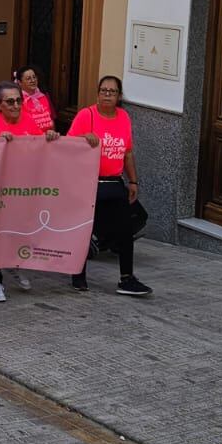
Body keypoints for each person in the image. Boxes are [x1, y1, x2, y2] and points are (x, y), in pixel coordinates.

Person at [0, 82, 61, 300]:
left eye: (18, 101)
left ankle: (14, 263)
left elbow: (39, 149)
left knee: (18, 230)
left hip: (21, 189)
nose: (15, 105)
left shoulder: (29, 120)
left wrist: (49, 138)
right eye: (10, 101)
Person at [68, 76, 152, 297]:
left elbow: (128, 152)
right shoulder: (87, 116)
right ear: (97, 93)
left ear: (119, 96)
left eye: (112, 92)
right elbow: (67, 147)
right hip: (89, 182)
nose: (107, 94)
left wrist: (133, 180)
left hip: (114, 182)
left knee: (125, 230)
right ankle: (78, 274)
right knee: (84, 229)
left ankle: (127, 278)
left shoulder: (123, 117)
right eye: (103, 90)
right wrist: (83, 138)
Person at [17, 66, 56, 133]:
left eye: (34, 77)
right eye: (28, 78)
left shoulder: (43, 96)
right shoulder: (18, 99)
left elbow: (50, 119)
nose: (33, 80)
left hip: (47, 137)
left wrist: (53, 133)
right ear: (20, 82)